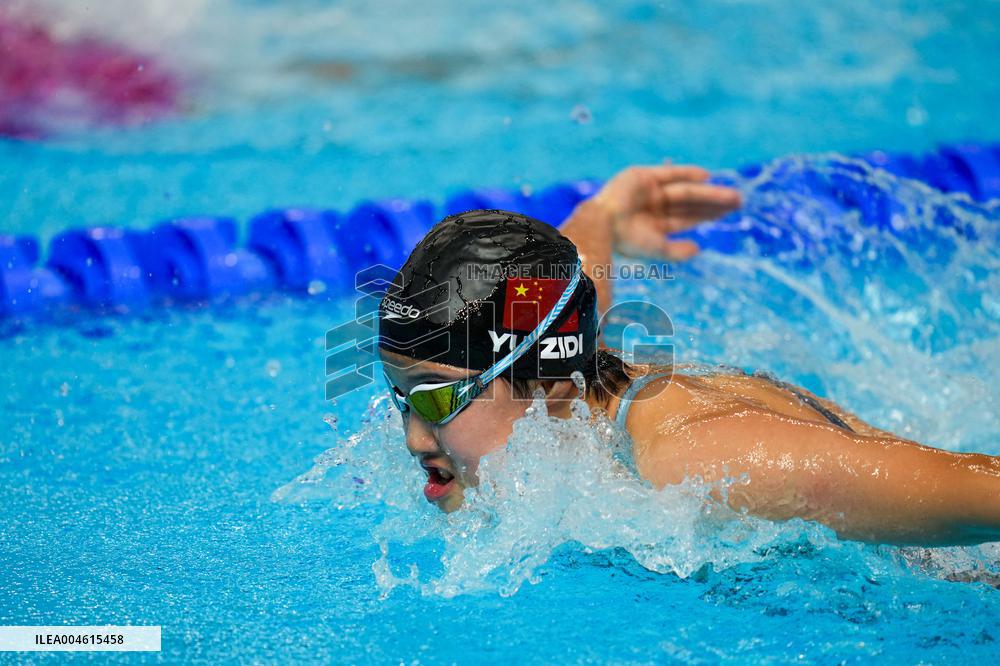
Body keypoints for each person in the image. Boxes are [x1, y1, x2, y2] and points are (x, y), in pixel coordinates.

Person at [378, 160, 1000, 547]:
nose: (412, 435)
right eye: (399, 395)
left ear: (549, 380)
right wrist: (609, 210)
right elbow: (571, 275)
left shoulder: (700, 460)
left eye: (435, 395)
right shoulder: (578, 365)